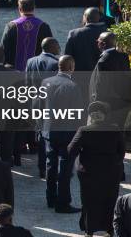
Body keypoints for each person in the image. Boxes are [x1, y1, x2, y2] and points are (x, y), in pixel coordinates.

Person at [67, 101, 125, 236]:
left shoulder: (84, 130)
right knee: (109, 201)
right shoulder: (115, 130)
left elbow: (71, 150)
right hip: (111, 172)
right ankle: (109, 230)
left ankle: (90, 230)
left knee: (89, 201)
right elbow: (121, 151)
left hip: (88, 172)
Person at [37, 56, 84, 213]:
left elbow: (38, 106)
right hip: (67, 133)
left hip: (49, 131)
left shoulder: (46, 82)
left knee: (51, 166)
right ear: (71, 67)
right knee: (65, 169)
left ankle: (50, 198)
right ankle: (62, 202)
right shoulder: (73, 86)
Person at [25, 37, 59, 179]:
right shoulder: (56, 64)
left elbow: (27, 84)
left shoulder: (31, 61)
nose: (59, 48)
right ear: (52, 47)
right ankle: (50, 165)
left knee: (40, 134)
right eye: (57, 46)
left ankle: (41, 166)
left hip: (35, 102)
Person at [89, 31, 131, 128]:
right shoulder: (124, 57)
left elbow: (100, 86)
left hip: (107, 107)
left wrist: (96, 106)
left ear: (102, 44)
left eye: (98, 41)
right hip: (123, 104)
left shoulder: (103, 61)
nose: (97, 43)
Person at [1, 0, 53, 71]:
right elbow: (50, 51)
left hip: (13, 71)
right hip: (37, 71)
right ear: (34, 8)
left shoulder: (11, 26)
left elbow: (3, 49)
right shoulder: (43, 26)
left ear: (19, 9)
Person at [64, 7, 107, 73]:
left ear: (86, 18)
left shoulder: (74, 33)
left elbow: (67, 57)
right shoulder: (108, 33)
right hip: (101, 76)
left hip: (79, 75)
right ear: (99, 18)